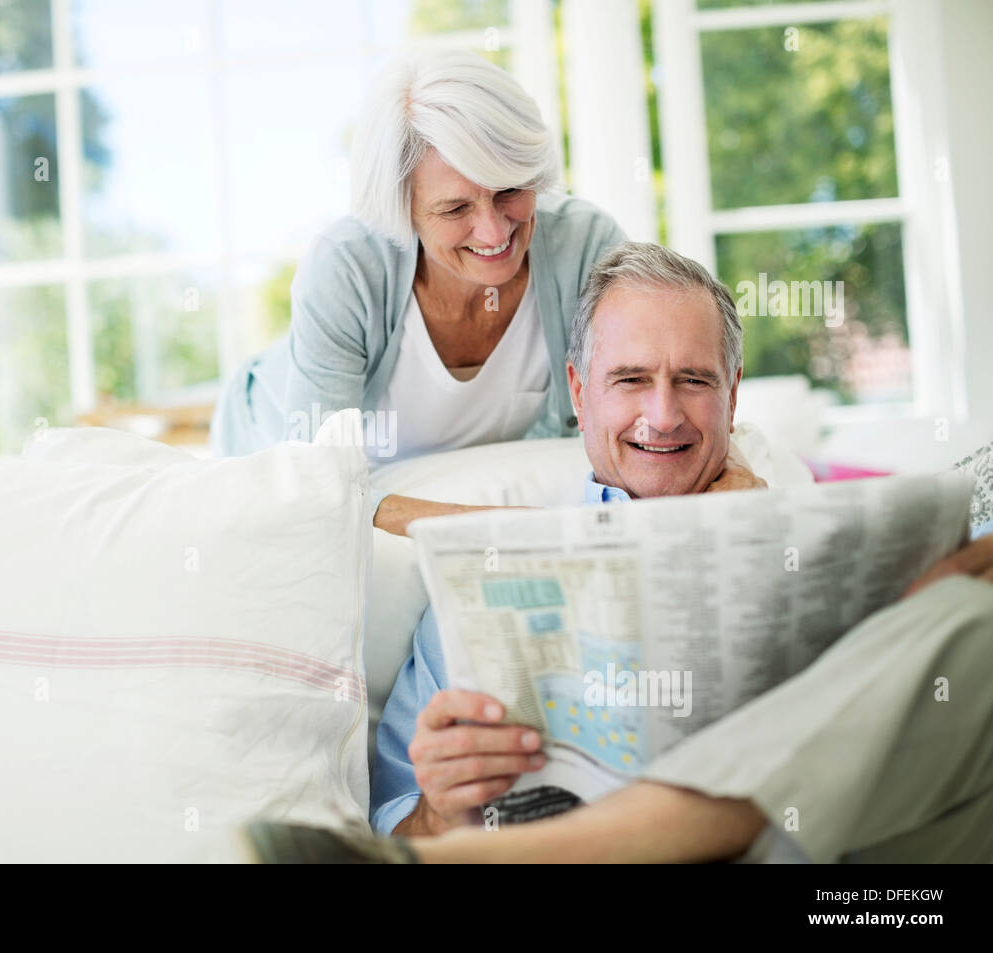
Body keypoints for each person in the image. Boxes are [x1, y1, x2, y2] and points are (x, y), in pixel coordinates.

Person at [241, 241, 993, 864]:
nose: (662, 416)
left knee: (973, 631)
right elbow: (393, 829)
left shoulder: (809, 531)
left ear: (732, 395)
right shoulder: (484, 578)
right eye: (631, 380)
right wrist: (440, 812)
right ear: (578, 391)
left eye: (693, 381)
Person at [211, 49, 764, 537]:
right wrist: (500, 530)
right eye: (455, 209)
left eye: (509, 192)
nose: (496, 233)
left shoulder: (582, 245)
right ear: (401, 207)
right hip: (266, 432)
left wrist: (734, 470)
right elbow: (315, 487)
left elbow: (665, 380)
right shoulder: (348, 266)